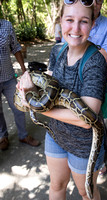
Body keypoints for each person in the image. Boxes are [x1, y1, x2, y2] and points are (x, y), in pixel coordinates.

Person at [17, 1, 107, 199]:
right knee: (57, 185)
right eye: (69, 20)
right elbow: (50, 84)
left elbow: (86, 119)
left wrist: (35, 106)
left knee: (86, 191)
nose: (75, 28)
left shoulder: (95, 61)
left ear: (92, 24)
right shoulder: (58, 51)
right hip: (56, 135)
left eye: (83, 21)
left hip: (84, 144)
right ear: (60, 22)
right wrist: (28, 85)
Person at [0, 19, 40, 150]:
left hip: (9, 77)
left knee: (19, 106)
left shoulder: (6, 25)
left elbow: (16, 47)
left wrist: (24, 71)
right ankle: (2, 137)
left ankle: (23, 135)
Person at [88, 0, 107, 175]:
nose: (96, 3)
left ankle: (99, 162)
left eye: (99, 0)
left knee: (98, 122)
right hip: (75, 82)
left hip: (99, 82)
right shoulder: (75, 19)